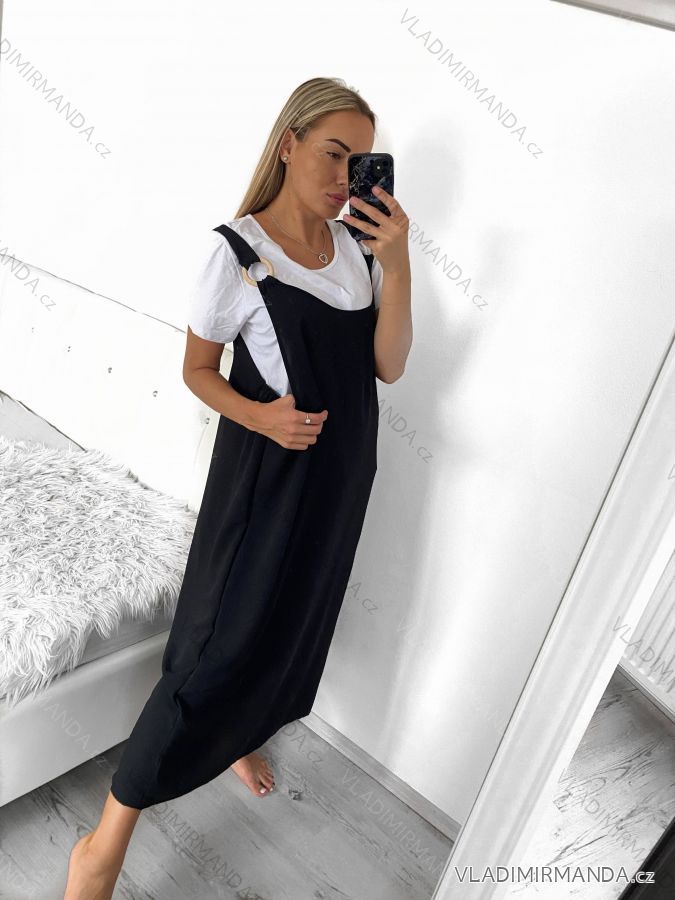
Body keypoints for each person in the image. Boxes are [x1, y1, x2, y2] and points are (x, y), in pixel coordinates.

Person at [64, 75, 412, 900]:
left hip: (339, 480)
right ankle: (104, 844)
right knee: (213, 648)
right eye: (333, 154)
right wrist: (261, 418)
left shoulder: (359, 250)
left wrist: (397, 263)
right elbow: (197, 370)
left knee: (291, 625)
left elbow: (388, 365)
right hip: (265, 483)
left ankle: (235, 738)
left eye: (360, 162)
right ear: (288, 144)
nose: (345, 177)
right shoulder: (236, 254)